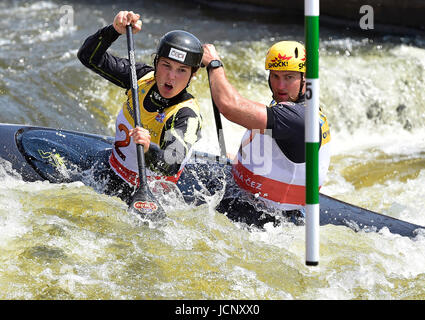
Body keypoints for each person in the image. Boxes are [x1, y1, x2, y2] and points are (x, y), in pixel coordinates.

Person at [77, 11, 203, 205]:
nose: (171, 77)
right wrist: (114, 31)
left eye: (181, 70)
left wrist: (148, 149)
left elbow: (172, 161)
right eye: (166, 65)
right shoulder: (141, 78)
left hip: (151, 195)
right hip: (111, 172)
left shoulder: (187, 115)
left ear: (192, 75)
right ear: (156, 62)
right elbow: (88, 57)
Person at [200, 41, 331, 226]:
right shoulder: (294, 108)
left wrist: (214, 63)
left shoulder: (299, 119)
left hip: (264, 220)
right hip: (250, 200)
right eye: (275, 76)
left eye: (289, 77)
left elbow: (229, 106)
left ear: (306, 79)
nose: (280, 85)